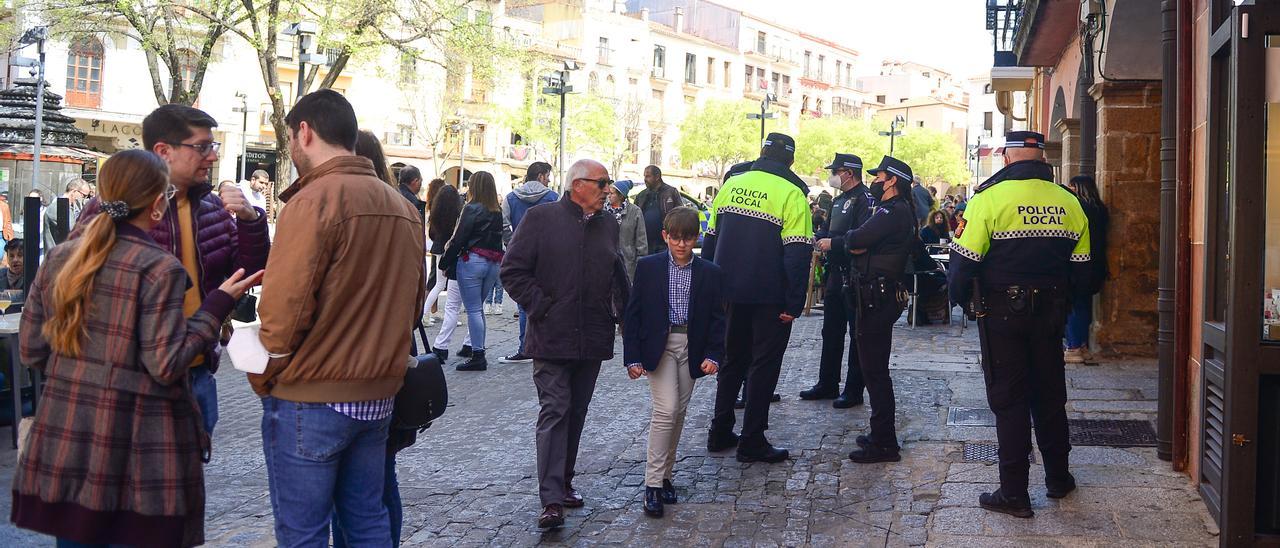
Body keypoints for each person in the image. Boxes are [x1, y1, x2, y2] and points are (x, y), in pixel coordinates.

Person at [11, 150, 261, 547]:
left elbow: (31, 349)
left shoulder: (61, 258)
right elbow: (165, 363)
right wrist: (216, 306)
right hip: (135, 443)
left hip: (68, 434)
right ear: (158, 203)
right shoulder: (157, 268)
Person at [254, 89, 426, 546]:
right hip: (376, 397)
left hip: (312, 396)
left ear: (305, 133)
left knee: (304, 532)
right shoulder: (404, 209)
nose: (291, 148)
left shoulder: (313, 202)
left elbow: (282, 313)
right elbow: (412, 308)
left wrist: (264, 376)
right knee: (367, 520)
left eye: (291, 137)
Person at [74, 104, 271, 435]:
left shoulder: (213, 208)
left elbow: (248, 271)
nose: (211, 156)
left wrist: (251, 221)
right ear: (163, 151)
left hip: (196, 373)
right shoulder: (112, 210)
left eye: (214, 146)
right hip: (131, 377)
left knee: (188, 480)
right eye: (202, 147)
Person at [947, 130, 1096, 519]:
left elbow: (962, 266)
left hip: (1001, 317)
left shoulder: (988, 200)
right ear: (1042, 159)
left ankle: (1014, 493)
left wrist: (963, 302)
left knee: (1009, 400)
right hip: (1050, 318)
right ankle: (1058, 479)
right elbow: (1084, 273)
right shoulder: (1070, 202)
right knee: (1049, 396)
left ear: (1010, 158)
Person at [501, 158, 628, 529]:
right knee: (555, 410)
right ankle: (551, 499)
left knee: (576, 412)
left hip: (591, 336)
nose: (608, 190)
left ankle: (565, 481)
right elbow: (512, 270)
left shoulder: (608, 224)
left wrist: (623, 314)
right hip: (551, 338)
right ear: (578, 185)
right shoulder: (541, 220)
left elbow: (616, 272)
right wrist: (541, 306)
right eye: (602, 183)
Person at [701, 132, 812, 464]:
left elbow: (710, 240)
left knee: (732, 360)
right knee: (763, 365)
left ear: (761, 152)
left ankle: (719, 431)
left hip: (728, 291)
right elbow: (797, 254)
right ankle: (751, 440)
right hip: (769, 296)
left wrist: (709, 290)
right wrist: (794, 303)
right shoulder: (792, 193)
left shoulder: (733, 184)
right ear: (790, 160)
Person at [623, 207, 724, 519]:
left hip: (691, 347)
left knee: (678, 412)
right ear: (665, 236)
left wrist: (713, 354)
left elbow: (719, 318)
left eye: (687, 239)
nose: (681, 245)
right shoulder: (649, 267)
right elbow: (633, 313)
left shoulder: (709, 272)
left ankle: (666, 476)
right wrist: (633, 357)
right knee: (666, 410)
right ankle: (652, 483)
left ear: (696, 239)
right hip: (659, 347)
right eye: (675, 238)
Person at [843, 156, 918, 464]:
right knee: (873, 369)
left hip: (877, 297)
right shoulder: (896, 211)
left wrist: (855, 243)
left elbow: (856, 238)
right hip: (875, 296)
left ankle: (885, 442)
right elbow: (860, 242)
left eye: (880, 176)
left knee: (875, 371)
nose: (874, 180)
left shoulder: (892, 211)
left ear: (892, 182)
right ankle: (880, 433)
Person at [805, 153, 874, 408]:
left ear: (848, 172)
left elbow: (862, 237)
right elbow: (829, 228)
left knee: (857, 335)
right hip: (836, 274)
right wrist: (819, 237)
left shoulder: (865, 200)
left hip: (855, 275)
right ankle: (827, 382)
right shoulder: (839, 200)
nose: (832, 175)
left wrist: (833, 243)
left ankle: (853, 389)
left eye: (835, 171)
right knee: (831, 331)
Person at [441, 171, 505, 371]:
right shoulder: (497, 211)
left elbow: (459, 239)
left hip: (472, 261)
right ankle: (477, 349)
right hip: (492, 263)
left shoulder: (472, 208)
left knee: (474, 310)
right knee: (478, 309)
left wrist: (445, 263)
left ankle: (478, 355)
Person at [500, 161, 558, 364]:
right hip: (547, 255)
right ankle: (542, 343)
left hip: (521, 255)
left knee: (524, 300)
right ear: (541, 176)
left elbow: (503, 223)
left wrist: (512, 243)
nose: (549, 180)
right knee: (547, 297)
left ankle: (525, 345)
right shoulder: (553, 198)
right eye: (548, 176)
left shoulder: (511, 197)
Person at [1063, 175, 1109, 365]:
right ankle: (1081, 345)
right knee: (1083, 305)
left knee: (1072, 304)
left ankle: (1073, 346)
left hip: (1079, 262)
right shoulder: (1101, 209)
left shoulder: (1079, 208)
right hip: (1097, 264)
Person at [606, 178, 648, 283]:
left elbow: (641, 240)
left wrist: (640, 263)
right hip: (606, 261)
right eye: (608, 193)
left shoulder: (635, 212)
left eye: (612, 193)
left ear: (621, 195)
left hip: (628, 263)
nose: (609, 196)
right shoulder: (603, 210)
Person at [633, 165, 682, 255]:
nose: (645, 179)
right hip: (646, 243)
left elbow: (680, 215)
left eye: (648, 176)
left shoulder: (671, 192)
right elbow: (634, 216)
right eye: (644, 176)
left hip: (664, 243)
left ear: (657, 177)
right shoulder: (641, 195)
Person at [42, 178, 90, 250]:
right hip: (57, 257)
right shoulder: (57, 207)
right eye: (84, 196)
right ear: (74, 191)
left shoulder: (73, 207)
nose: (84, 199)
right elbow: (73, 231)